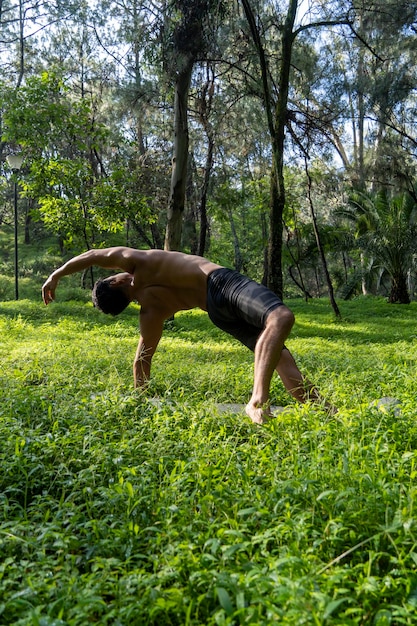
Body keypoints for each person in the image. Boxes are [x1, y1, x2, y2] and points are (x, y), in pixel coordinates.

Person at [42, 246, 334, 424]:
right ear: (116, 281)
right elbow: (94, 256)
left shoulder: (150, 313)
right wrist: (56, 274)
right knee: (280, 317)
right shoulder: (137, 261)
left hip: (216, 312)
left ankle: (326, 412)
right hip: (220, 283)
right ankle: (257, 401)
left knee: (279, 355)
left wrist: (139, 403)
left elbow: (141, 361)